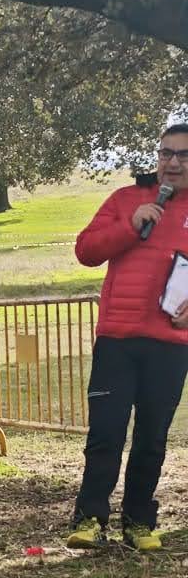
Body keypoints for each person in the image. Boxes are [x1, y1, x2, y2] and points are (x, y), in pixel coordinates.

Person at [67, 115, 188, 551]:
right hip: (117, 339)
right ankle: (88, 519)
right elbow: (85, 251)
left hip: (171, 346)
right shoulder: (125, 199)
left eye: (182, 155)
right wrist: (130, 225)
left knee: (152, 436)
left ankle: (139, 522)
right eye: (165, 153)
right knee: (106, 432)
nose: (171, 163)